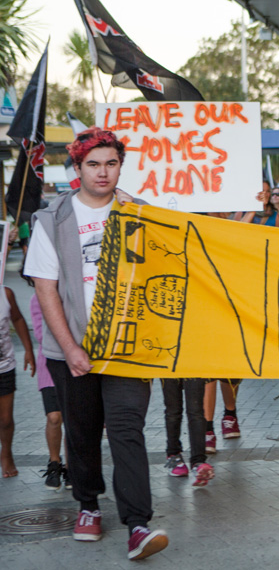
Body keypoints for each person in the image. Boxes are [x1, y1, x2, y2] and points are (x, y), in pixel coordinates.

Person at [25, 128, 169, 559]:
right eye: (93, 164)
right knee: (83, 432)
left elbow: (166, 270)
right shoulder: (53, 219)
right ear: (77, 169)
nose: (103, 172)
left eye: (111, 163)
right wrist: (70, 348)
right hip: (71, 350)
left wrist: (140, 219)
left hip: (127, 349)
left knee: (127, 431)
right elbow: (46, 289)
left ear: (120, 167)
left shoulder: (139, 213)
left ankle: (138, 524)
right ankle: (88, 505)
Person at [29, 287, 70, 490]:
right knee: (54, 417)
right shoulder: (38, 297)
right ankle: (54, 463)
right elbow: (40, 332)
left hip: (75, 364)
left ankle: (72, 467)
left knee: (72, 418)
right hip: (50, 364)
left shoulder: (72, 292)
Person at [0, 285, 35, 478]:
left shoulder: (5, 294)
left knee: (5, 420)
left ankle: (6, 452)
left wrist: (29, 350)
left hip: (4, 367)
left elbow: (18, 318)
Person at [161, 377, 214, 487]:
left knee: (195, 411)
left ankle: (198, 461)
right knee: (174, 411)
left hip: (192, 364)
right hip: (169, 365)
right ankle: (173, 454)